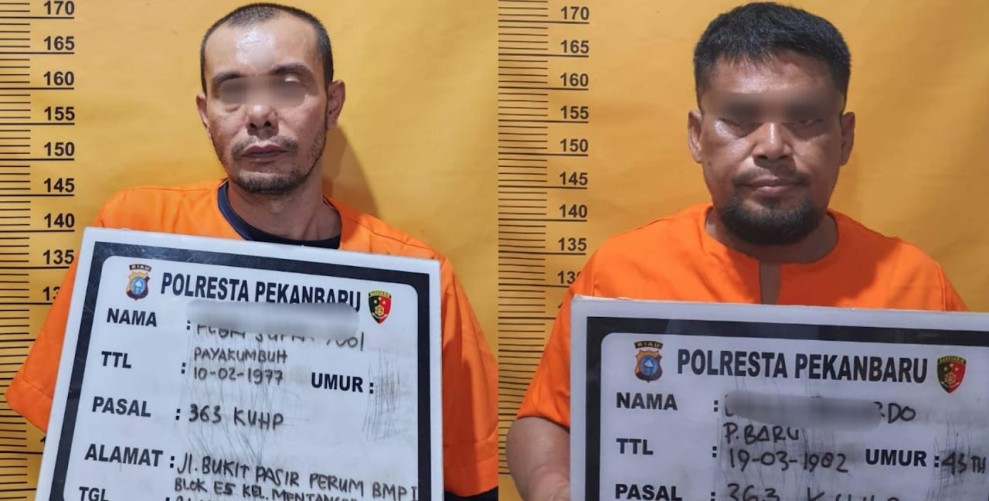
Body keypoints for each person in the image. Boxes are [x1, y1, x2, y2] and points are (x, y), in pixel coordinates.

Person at [7, 4, 497, 500]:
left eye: (288, 86)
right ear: (206, 114)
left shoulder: (415, 278)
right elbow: (76, 439)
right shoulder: (135, 232)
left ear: (332, 104)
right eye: (233, 91)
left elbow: (469, 484)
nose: (259, 114)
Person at [506, 2, 966, 499]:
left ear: (845, 138)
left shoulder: (915, 283)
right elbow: (548, 420)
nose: (772, 146)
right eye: (740, 119)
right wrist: (553, 488)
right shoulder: (621, 270)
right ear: (697, 136)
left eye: (806, 119)